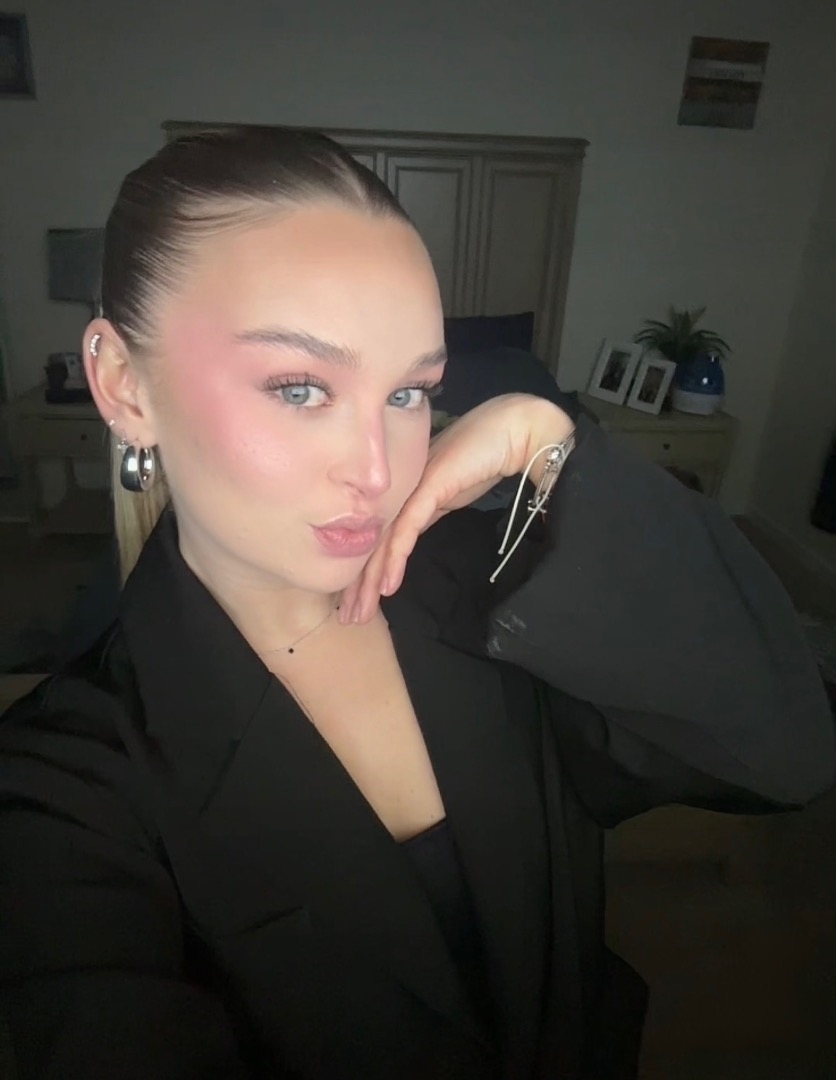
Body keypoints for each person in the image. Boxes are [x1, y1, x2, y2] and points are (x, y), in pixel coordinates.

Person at [0, 127, 833, 1080]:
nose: (376, 470)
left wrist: (560, 455)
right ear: (122, 383)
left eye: (409, 394)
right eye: (300, 387)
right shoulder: (62, 793)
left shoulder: (506, 595)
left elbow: (787, 753)